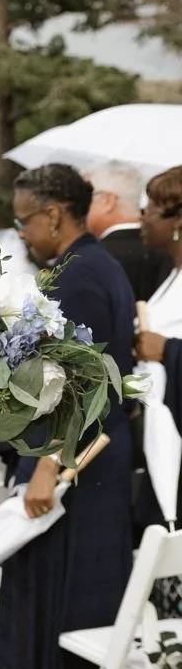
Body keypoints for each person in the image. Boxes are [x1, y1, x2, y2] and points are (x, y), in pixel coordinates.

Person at [0, 165, 135, 669]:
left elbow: (82, 384)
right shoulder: (103, 265)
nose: (21, 231)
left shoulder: (77, 277)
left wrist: (48, 465)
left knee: (32, 594)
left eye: (24, 218)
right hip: (100, 461)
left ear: (54, 214)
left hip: (72, 459)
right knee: (84, 598)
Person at [133, 166, 182, 611]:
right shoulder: (170, 275)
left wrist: (167, 350)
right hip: (162, 444)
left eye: (151, 209)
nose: (143, 218)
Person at [86, 159, 172, 302]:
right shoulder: (170, 250)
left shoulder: (93, 257)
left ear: (107, 201)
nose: (76, 208)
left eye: (84, 198)